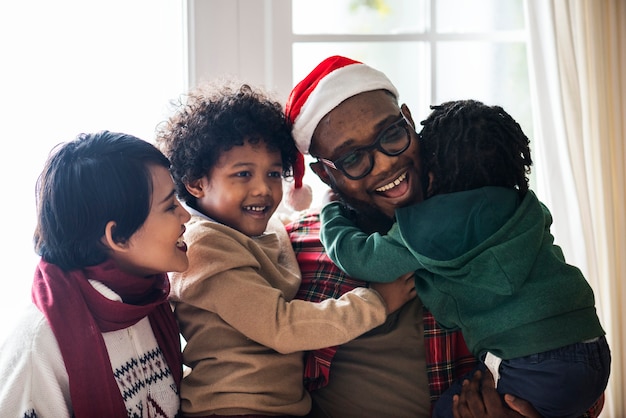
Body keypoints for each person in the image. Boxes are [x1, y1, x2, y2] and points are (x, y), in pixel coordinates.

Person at [284, 55, 605, 418]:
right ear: (325, 176)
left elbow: (578, 381)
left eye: (392, 135)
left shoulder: (487, 218)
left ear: (408, 120)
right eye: (354, 158)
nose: (387, 164)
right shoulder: (296, 250)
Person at [155, 81, 414, 417]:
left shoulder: (253, 228)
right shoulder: (205, 245)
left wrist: (334, 200)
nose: (263, 189)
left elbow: (282, 229)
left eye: (274, 173)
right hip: (232, 406)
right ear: (196, 183)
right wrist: (376, 303)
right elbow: (281, 326)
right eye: (243, 174)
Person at [0, 131, 191, 417]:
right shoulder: (38, 344)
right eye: (169, 206)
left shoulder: (150, 300)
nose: (185, 215)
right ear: (117, 237)